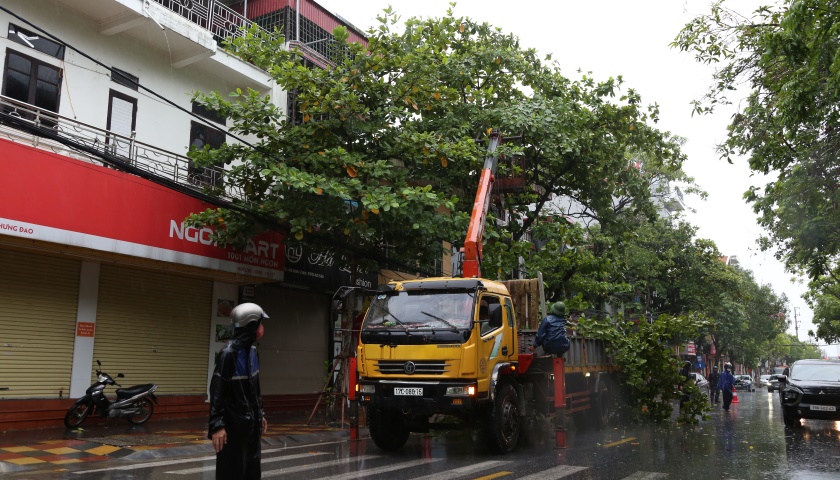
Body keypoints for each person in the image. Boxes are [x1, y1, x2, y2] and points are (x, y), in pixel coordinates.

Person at [208, 302, 270, 480]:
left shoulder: (252, 351)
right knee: (232, 472)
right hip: (232, 428)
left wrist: (260, 413)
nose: (262, 328)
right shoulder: (229, 354)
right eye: (260, 323)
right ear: (250, 325)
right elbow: (217, 391)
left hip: (251, 427)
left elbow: (254, 388)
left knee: (251, 472)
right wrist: (217, 426)